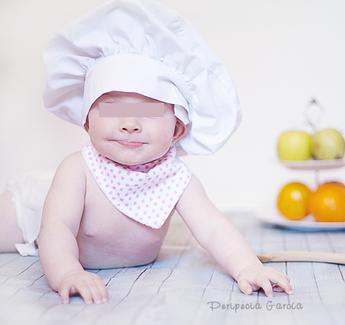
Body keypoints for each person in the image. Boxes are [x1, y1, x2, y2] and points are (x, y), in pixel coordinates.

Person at [0, 0, 293, 304]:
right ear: (86, 121)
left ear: (177, 129)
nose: (129, 124)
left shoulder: (176, 179)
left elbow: (214, 229)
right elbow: (56, 228)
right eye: (112, 108)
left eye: (149, 111)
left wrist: (247, 266)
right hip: (32, 213)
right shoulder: (77, 170)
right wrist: (67, 273)